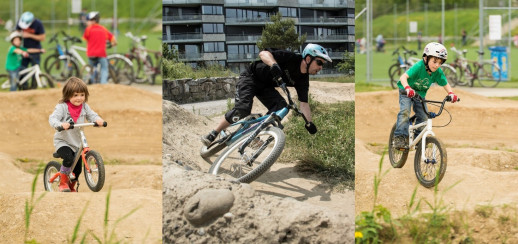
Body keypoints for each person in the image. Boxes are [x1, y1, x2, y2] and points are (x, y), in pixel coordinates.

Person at [200, 43, 330, 146]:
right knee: (242, 109)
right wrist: (273, 64)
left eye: (322, 65)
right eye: (319, 62)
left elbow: (304, 103)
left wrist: (309, 123)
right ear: (308, 58)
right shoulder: (290, 57)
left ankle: (252, 133)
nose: (320, 68)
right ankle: (213, 133)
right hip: (250, 77)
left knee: (280, 108)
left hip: (265, 87)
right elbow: (263, 53)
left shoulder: (303, 80)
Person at [393, 42, 458, 149]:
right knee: (405, 112)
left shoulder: (437, 72)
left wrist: (451, 93)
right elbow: (403, 77)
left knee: (423, 117)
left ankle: (418, 139)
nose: (437, 65)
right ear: (426, 58)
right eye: (435, 61)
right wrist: (407, 88)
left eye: (440, 63)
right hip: (406, 91)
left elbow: (445, 83)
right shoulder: (418, 66)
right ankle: (399, 137)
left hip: (420, 94)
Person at [48, 77, 105, 192]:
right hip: (63, 142)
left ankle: (71, 186)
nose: (79, 98)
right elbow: (52, 118)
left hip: (77, 144)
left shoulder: (84, 106)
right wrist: (60, 124)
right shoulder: (62, 107)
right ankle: (63, 183)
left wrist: (98, 120)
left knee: (78, 169)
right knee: (68, 158)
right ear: (68, 95)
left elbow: (92, 115)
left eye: (82, 95)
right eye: (75, 95)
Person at [83, 11, 117, 84]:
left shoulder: (88, 29)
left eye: (88, 20)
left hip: (91, 53)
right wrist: (114, 43)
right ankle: (103, 84)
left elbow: (85, 38)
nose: (87, 22)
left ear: (93, 21)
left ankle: (92, 83)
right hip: (101, 53)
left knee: (91, 69)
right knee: (104, 68)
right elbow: (113, 39)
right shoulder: (103, 29)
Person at [16, 11, 45, 90]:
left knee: (35, 71)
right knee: (22, 70)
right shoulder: (20, 22)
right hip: (23, 51)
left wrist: (29, 35)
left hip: (35, 51)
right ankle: (24, 87)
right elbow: (16, 33)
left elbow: (42, 38)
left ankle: (33, 88)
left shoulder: (38, 24)